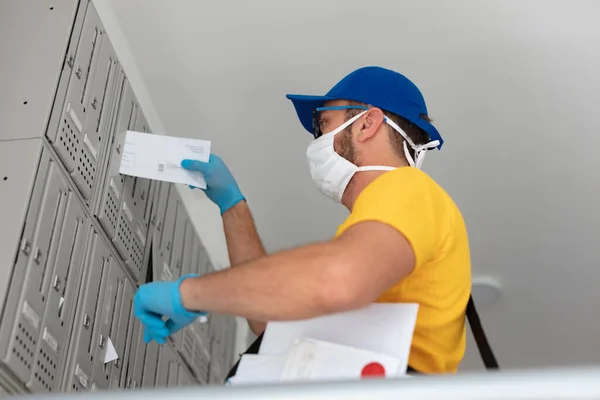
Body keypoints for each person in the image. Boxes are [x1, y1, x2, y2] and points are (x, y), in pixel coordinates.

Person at [133, 66, 472, 374]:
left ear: (367, 124)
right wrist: (231, 204)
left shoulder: (408, 187)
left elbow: (336, 280)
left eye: (323, 124)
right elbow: (267, 319)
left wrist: (188, 294)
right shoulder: (383, 223)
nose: (317, 141)